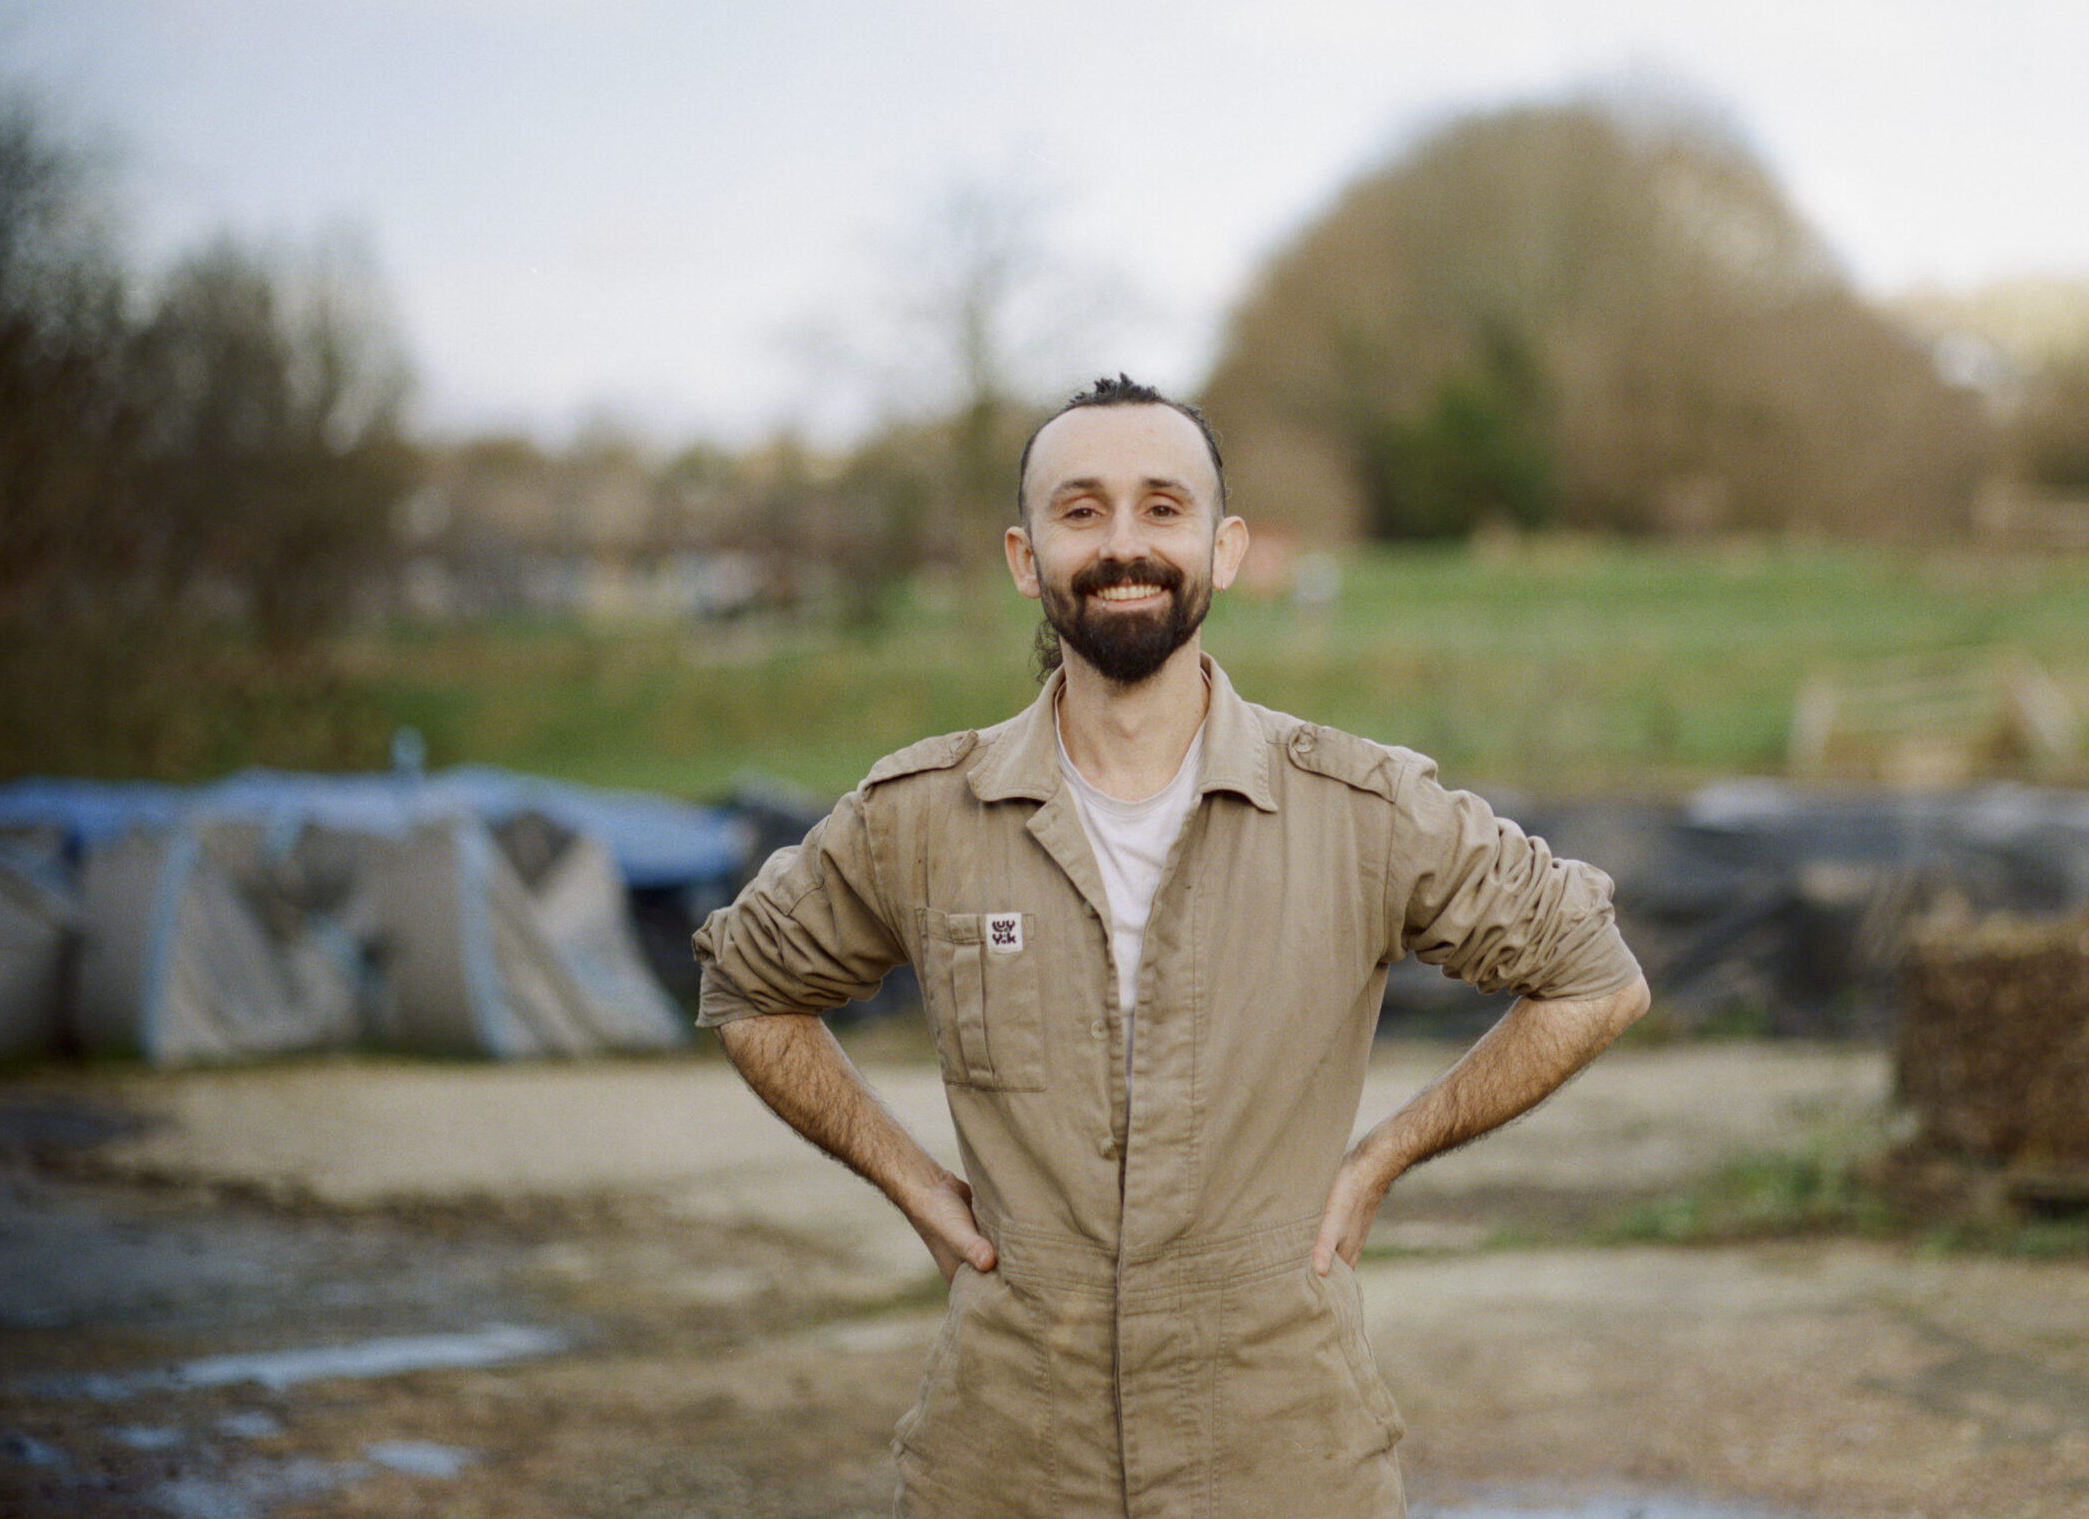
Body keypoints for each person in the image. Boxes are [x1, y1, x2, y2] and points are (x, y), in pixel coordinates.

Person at [693, 374, 1649, 1518]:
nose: (1123, 543)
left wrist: (1383, 1154)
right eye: (1080, 509)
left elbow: (1593, 974)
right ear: (1023, 553)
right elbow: (748, 984)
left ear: (1224, 545)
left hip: (1284, 1459)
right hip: (1005, 1461)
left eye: (1162, 506)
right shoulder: (919, 813)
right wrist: (915, 1186)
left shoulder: (1365, 807)